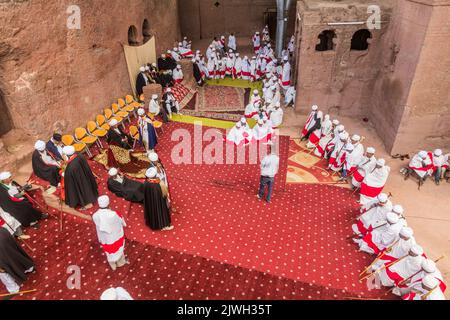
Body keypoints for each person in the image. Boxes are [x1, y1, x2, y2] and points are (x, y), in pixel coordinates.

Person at [93, 196, 128, 271]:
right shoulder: (114, 214)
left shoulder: (95, 215)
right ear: (108, 204)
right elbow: (121, 221)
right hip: (115, 237)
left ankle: (113, 266)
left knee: (109, 252)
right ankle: (120, 263)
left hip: (105, 239)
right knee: (119, 250)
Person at [0, 228, 35, 294]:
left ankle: (13, 288)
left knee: (1, 269)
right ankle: (28, 267)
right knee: (13, 251)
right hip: (3, 232)